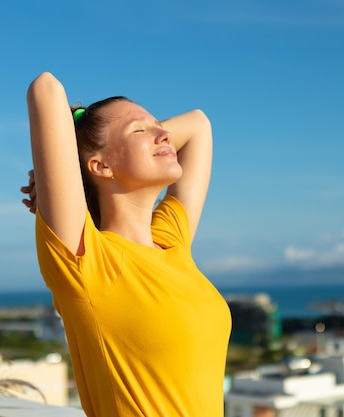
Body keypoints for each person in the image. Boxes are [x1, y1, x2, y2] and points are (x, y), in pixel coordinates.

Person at [21, 72, 231, 417]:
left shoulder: (171, 241)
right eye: (141, 130)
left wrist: (135, 135)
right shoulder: (86, 260)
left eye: (157, 125)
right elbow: (46, 88)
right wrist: (63, 161)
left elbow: (199, 125)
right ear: (100, 165)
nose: (164, 133)